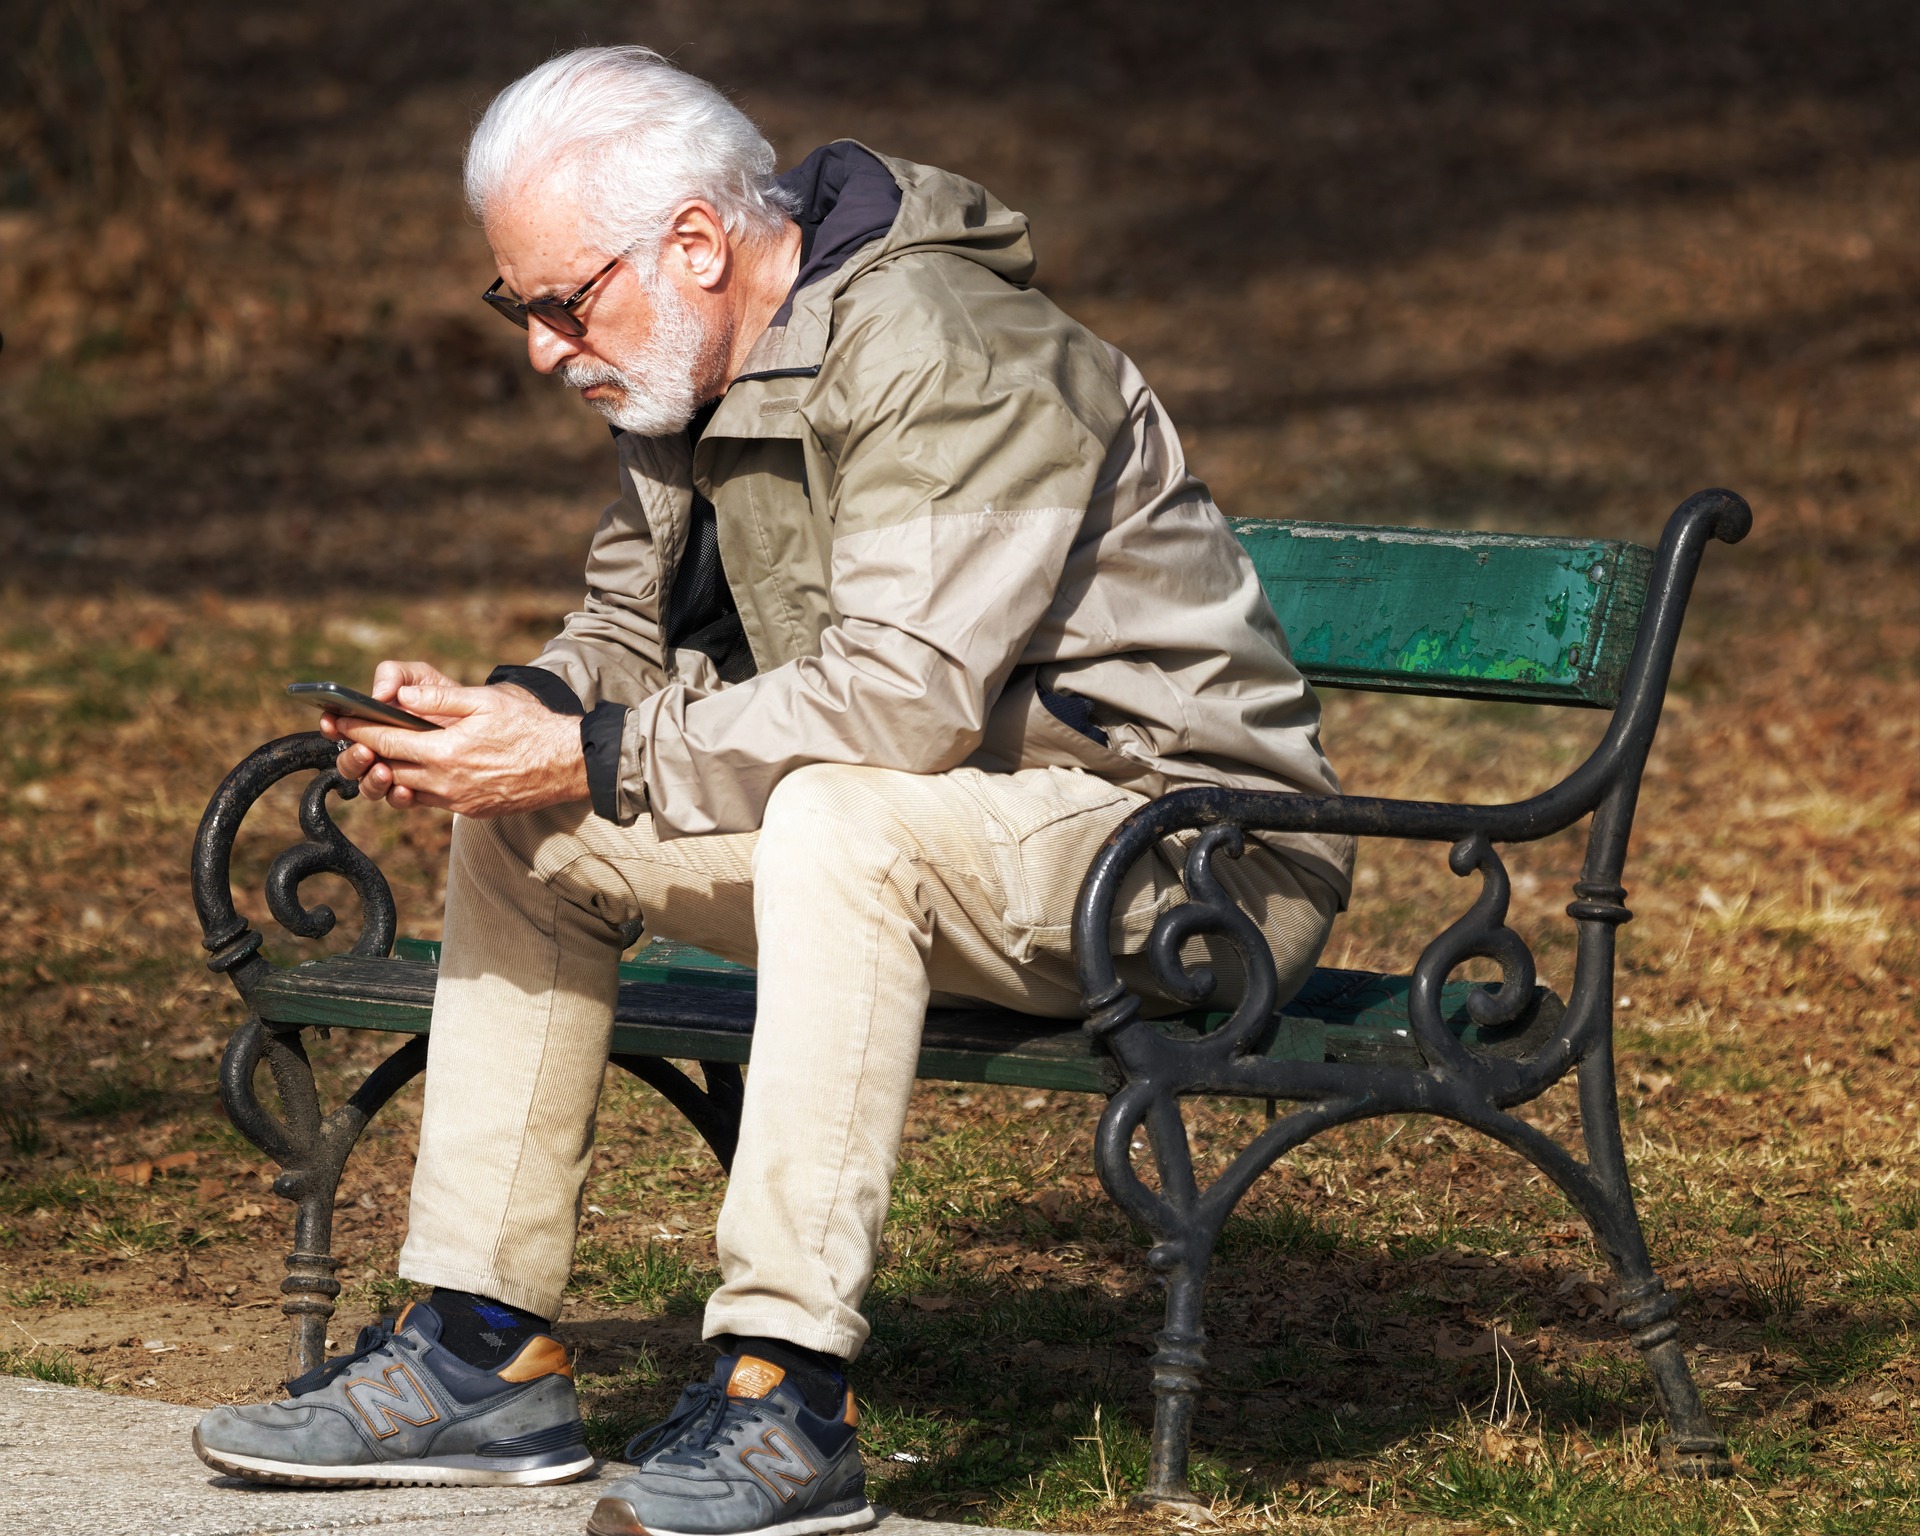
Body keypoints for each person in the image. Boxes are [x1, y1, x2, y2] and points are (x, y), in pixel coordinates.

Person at [191, 45, 1351, 1536]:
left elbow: (904, 702)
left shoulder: (950, 349)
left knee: (831, 816)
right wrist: (512, 720)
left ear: (694, 241)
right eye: (519, 307)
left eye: (560, 302)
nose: (544, 348)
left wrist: (592, 748)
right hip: (937, 840)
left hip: (1183, 853)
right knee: (530, 815)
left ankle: (782, 1396)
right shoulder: (681, 362)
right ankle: (485, 1349)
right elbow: (618, 638)